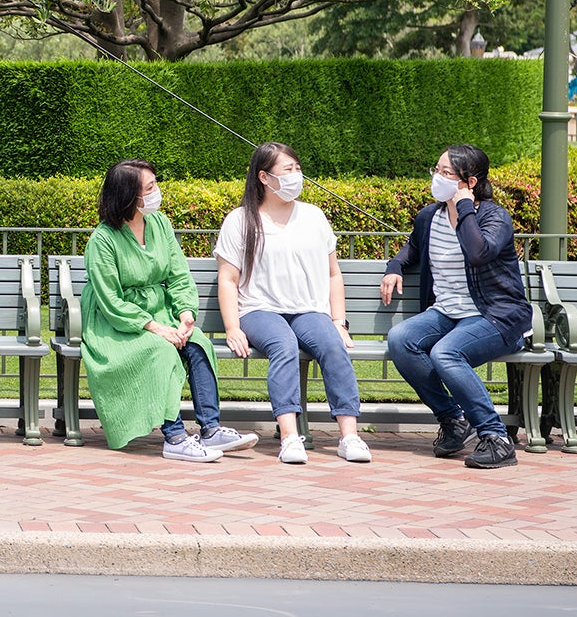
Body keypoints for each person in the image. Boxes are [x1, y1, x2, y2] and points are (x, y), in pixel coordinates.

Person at [80, 159, 259, 462]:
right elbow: (110, 300)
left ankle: (211, 429)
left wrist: (185, 313)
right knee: (161, 351)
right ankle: (174, 436)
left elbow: (178, 275)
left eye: (155, 184)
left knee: (198, 344)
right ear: (128, 196)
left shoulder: (160, 224)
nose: (157, 192)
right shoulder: (103, 240)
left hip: (161, 313)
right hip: (117, 323)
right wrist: (155, 327)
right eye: (149, 188)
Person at [214, 143, 371, 465]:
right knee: (284, 346)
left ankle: (349, 436)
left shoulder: (313, 216)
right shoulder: (241, 219)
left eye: (298, 169)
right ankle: (289, 436)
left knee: (332, 345)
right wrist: (232, 327)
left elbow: (332, 274)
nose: (296, 176)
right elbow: (228, 279)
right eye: (288, 170)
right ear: (264, 177)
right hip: (259, 310)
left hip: (309, 309)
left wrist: (338, 323)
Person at [382, 144, 530, 469]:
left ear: (471, 182)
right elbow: (413, 249)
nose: (437, 177)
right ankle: (453, 420)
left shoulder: (494, 217)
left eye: (446, 173)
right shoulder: (429, 217)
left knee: (446, 353)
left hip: (495, 316)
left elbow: (478, 252)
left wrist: (464, 208)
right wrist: (394, 266)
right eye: (436, 169)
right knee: (400, 339)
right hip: (446, 312)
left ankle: (496, 438)